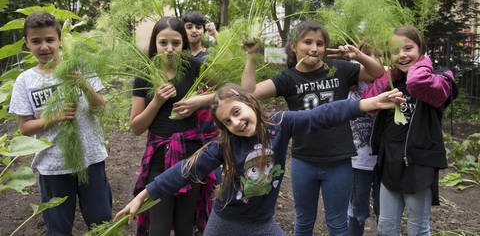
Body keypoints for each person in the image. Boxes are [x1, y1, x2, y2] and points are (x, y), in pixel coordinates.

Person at [115, 83, 404, 236]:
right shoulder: (223, 146)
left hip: (263, 223)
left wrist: (368, 103)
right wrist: (144, 195)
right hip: (226, 220)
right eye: (228, 121)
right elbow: (184, 171)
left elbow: (322, 115)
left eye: (238, 112)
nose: (236, 122)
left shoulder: (281, 124)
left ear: (251, 103)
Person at [241, 21, 385, 236]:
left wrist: (359, 55)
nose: (314, 48)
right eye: (307, 42)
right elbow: (249, 92)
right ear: (293, 46)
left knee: (337, 224)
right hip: (303, 160)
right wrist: (252, 56)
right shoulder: (288, 78)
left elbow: (377, 72)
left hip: (339, 160)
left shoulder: (340, 69)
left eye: (320, 43)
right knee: (303, 221)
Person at [8, 11, 112, 235]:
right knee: (58, 227)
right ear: (26, 42)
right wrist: (54, 117)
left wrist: (83, 83)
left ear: (59, 40)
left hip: (90, 158)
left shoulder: (80, 67)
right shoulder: (25, 81)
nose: (44, 47)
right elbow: (25, 127)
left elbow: (101, 107)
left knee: (101, 221)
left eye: (49, 40)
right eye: (36, 41)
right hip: (52, 165)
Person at [362, 25, 457, 235]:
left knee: (417, 228)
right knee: (385, 227)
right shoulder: (392, 81)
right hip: (390, 162)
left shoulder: (440, 79)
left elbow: (417, 82)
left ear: (421, 49)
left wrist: (422, 63)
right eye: (395, 50)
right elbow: (367, 101)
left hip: (420, 164)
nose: (402, 55)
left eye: (408, 48)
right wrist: (389, 75)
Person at [130, 16, 217, 235]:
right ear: (155, 44)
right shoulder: (144, 76)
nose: (169, 49)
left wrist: (200, 100)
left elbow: (230, 91)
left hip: (191, 157)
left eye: (176, 44)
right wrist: (157, 102)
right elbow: (136, 127)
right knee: (158, 227)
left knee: (185, 225)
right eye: (163, 43)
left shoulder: (195, 68)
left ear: (183, 44)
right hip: (159, 158)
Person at [347, 42, 381, 236]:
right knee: (356, 211)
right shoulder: (348, 84)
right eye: (367, 54)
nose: (373, 60)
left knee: (384, 212)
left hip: (384, 161)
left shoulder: (391, 83)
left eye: (378, 55)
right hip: (357, 161)